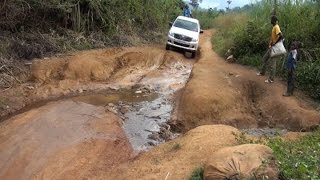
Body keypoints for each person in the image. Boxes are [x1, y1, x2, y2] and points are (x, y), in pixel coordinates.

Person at [257, 15, 283, 83]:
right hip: (271, 47)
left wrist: (274, 43)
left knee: (273, 63)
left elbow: (281, 36)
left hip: (274, 48)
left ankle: (271, 79)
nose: (270, 21)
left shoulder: (276, 27)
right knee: (264, 59)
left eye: (271, 20)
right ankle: (262, 72)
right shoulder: (274, 27)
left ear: (274, 21)